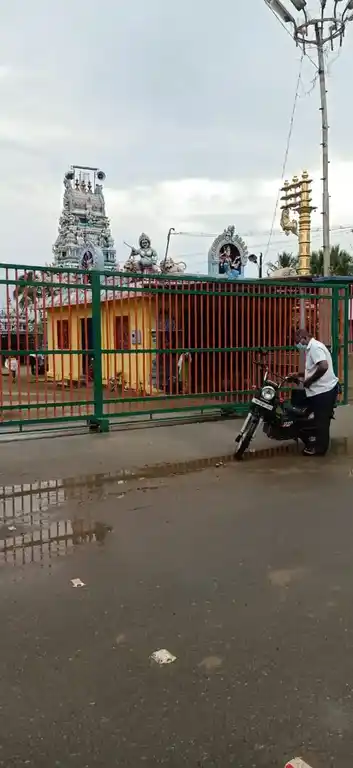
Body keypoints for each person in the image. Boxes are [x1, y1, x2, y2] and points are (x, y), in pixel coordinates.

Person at [294, 328, 339, 456]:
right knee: (319, 419)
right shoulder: (312, 348)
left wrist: (309, 381)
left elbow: (323, 366)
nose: (298, 344)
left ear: (304, 337)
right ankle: (315, 443)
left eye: (298, 341)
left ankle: (320, 450)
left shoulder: (314, 347)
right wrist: (299, 374)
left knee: (322, 421)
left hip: (324, 390)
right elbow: (314, 368)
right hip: (320, 390)